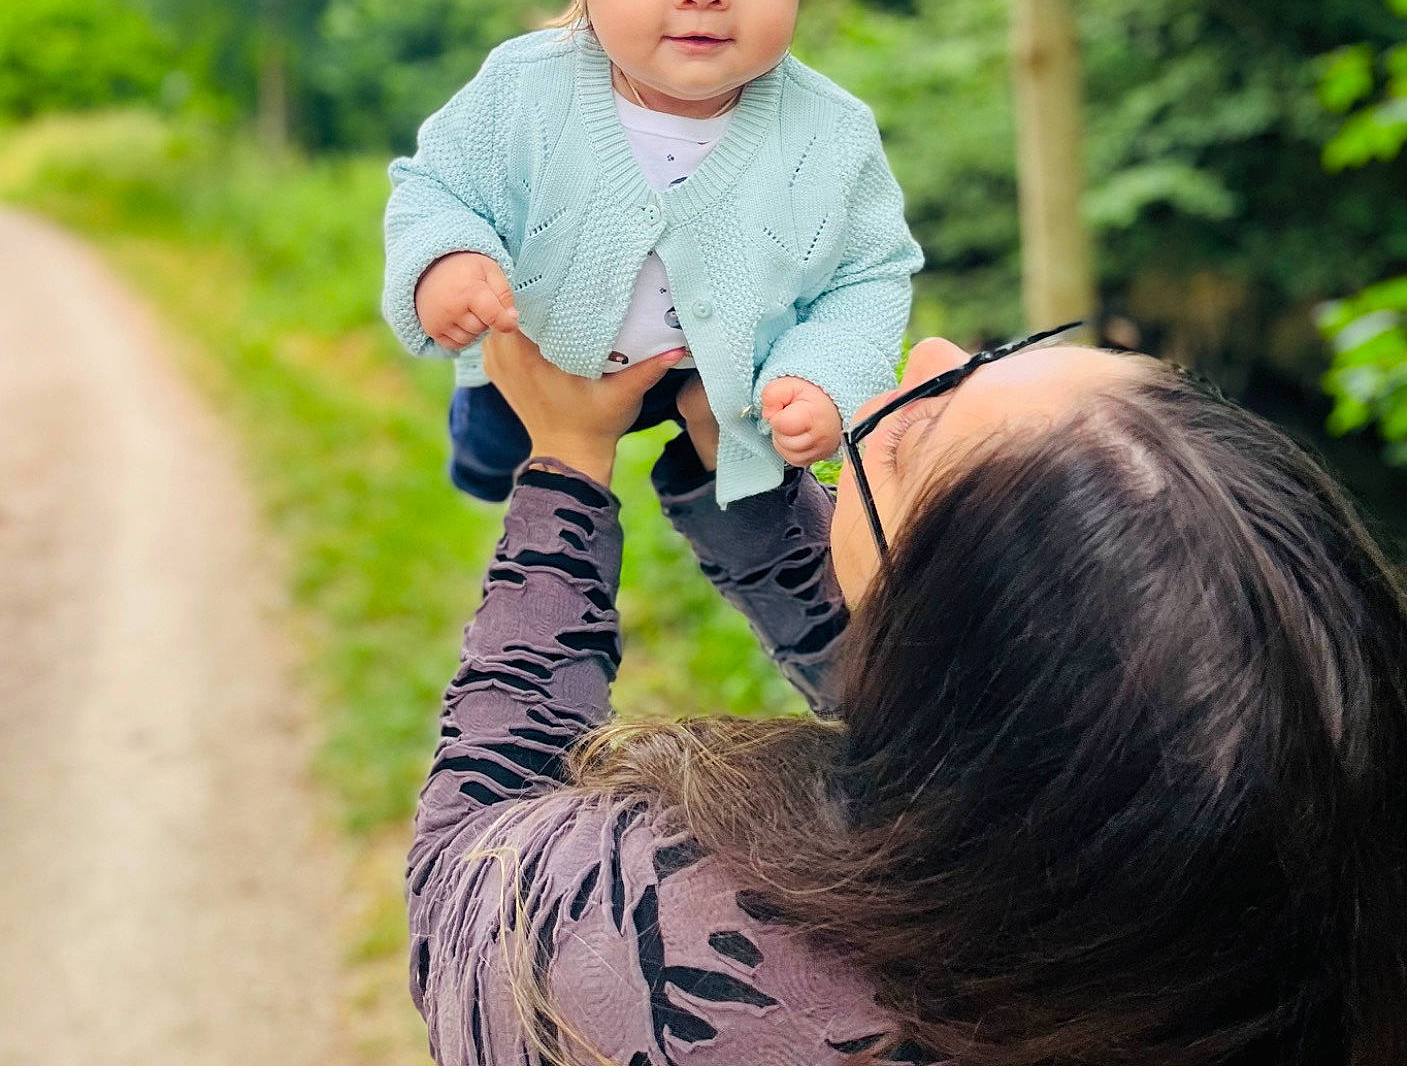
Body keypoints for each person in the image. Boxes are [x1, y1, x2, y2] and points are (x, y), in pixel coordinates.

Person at [406, 324, 1407, 1066]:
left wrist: (566, 465)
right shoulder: (1294, 911)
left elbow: (466, 877)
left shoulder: (703, 979)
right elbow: (970, 716)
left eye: (912, 434)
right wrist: (732, 464)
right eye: (1001, 350)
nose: (927, 351)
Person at [382, 0, 922, 505]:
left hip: (729, 381)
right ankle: (489, 475)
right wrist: (447, 260)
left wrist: (822, 374)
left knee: (747, 470)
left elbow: (868, 275)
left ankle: (751, 542)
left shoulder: (830, 134)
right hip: (533, 350)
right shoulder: (526, 86)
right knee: (496, 448)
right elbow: (437, 186)